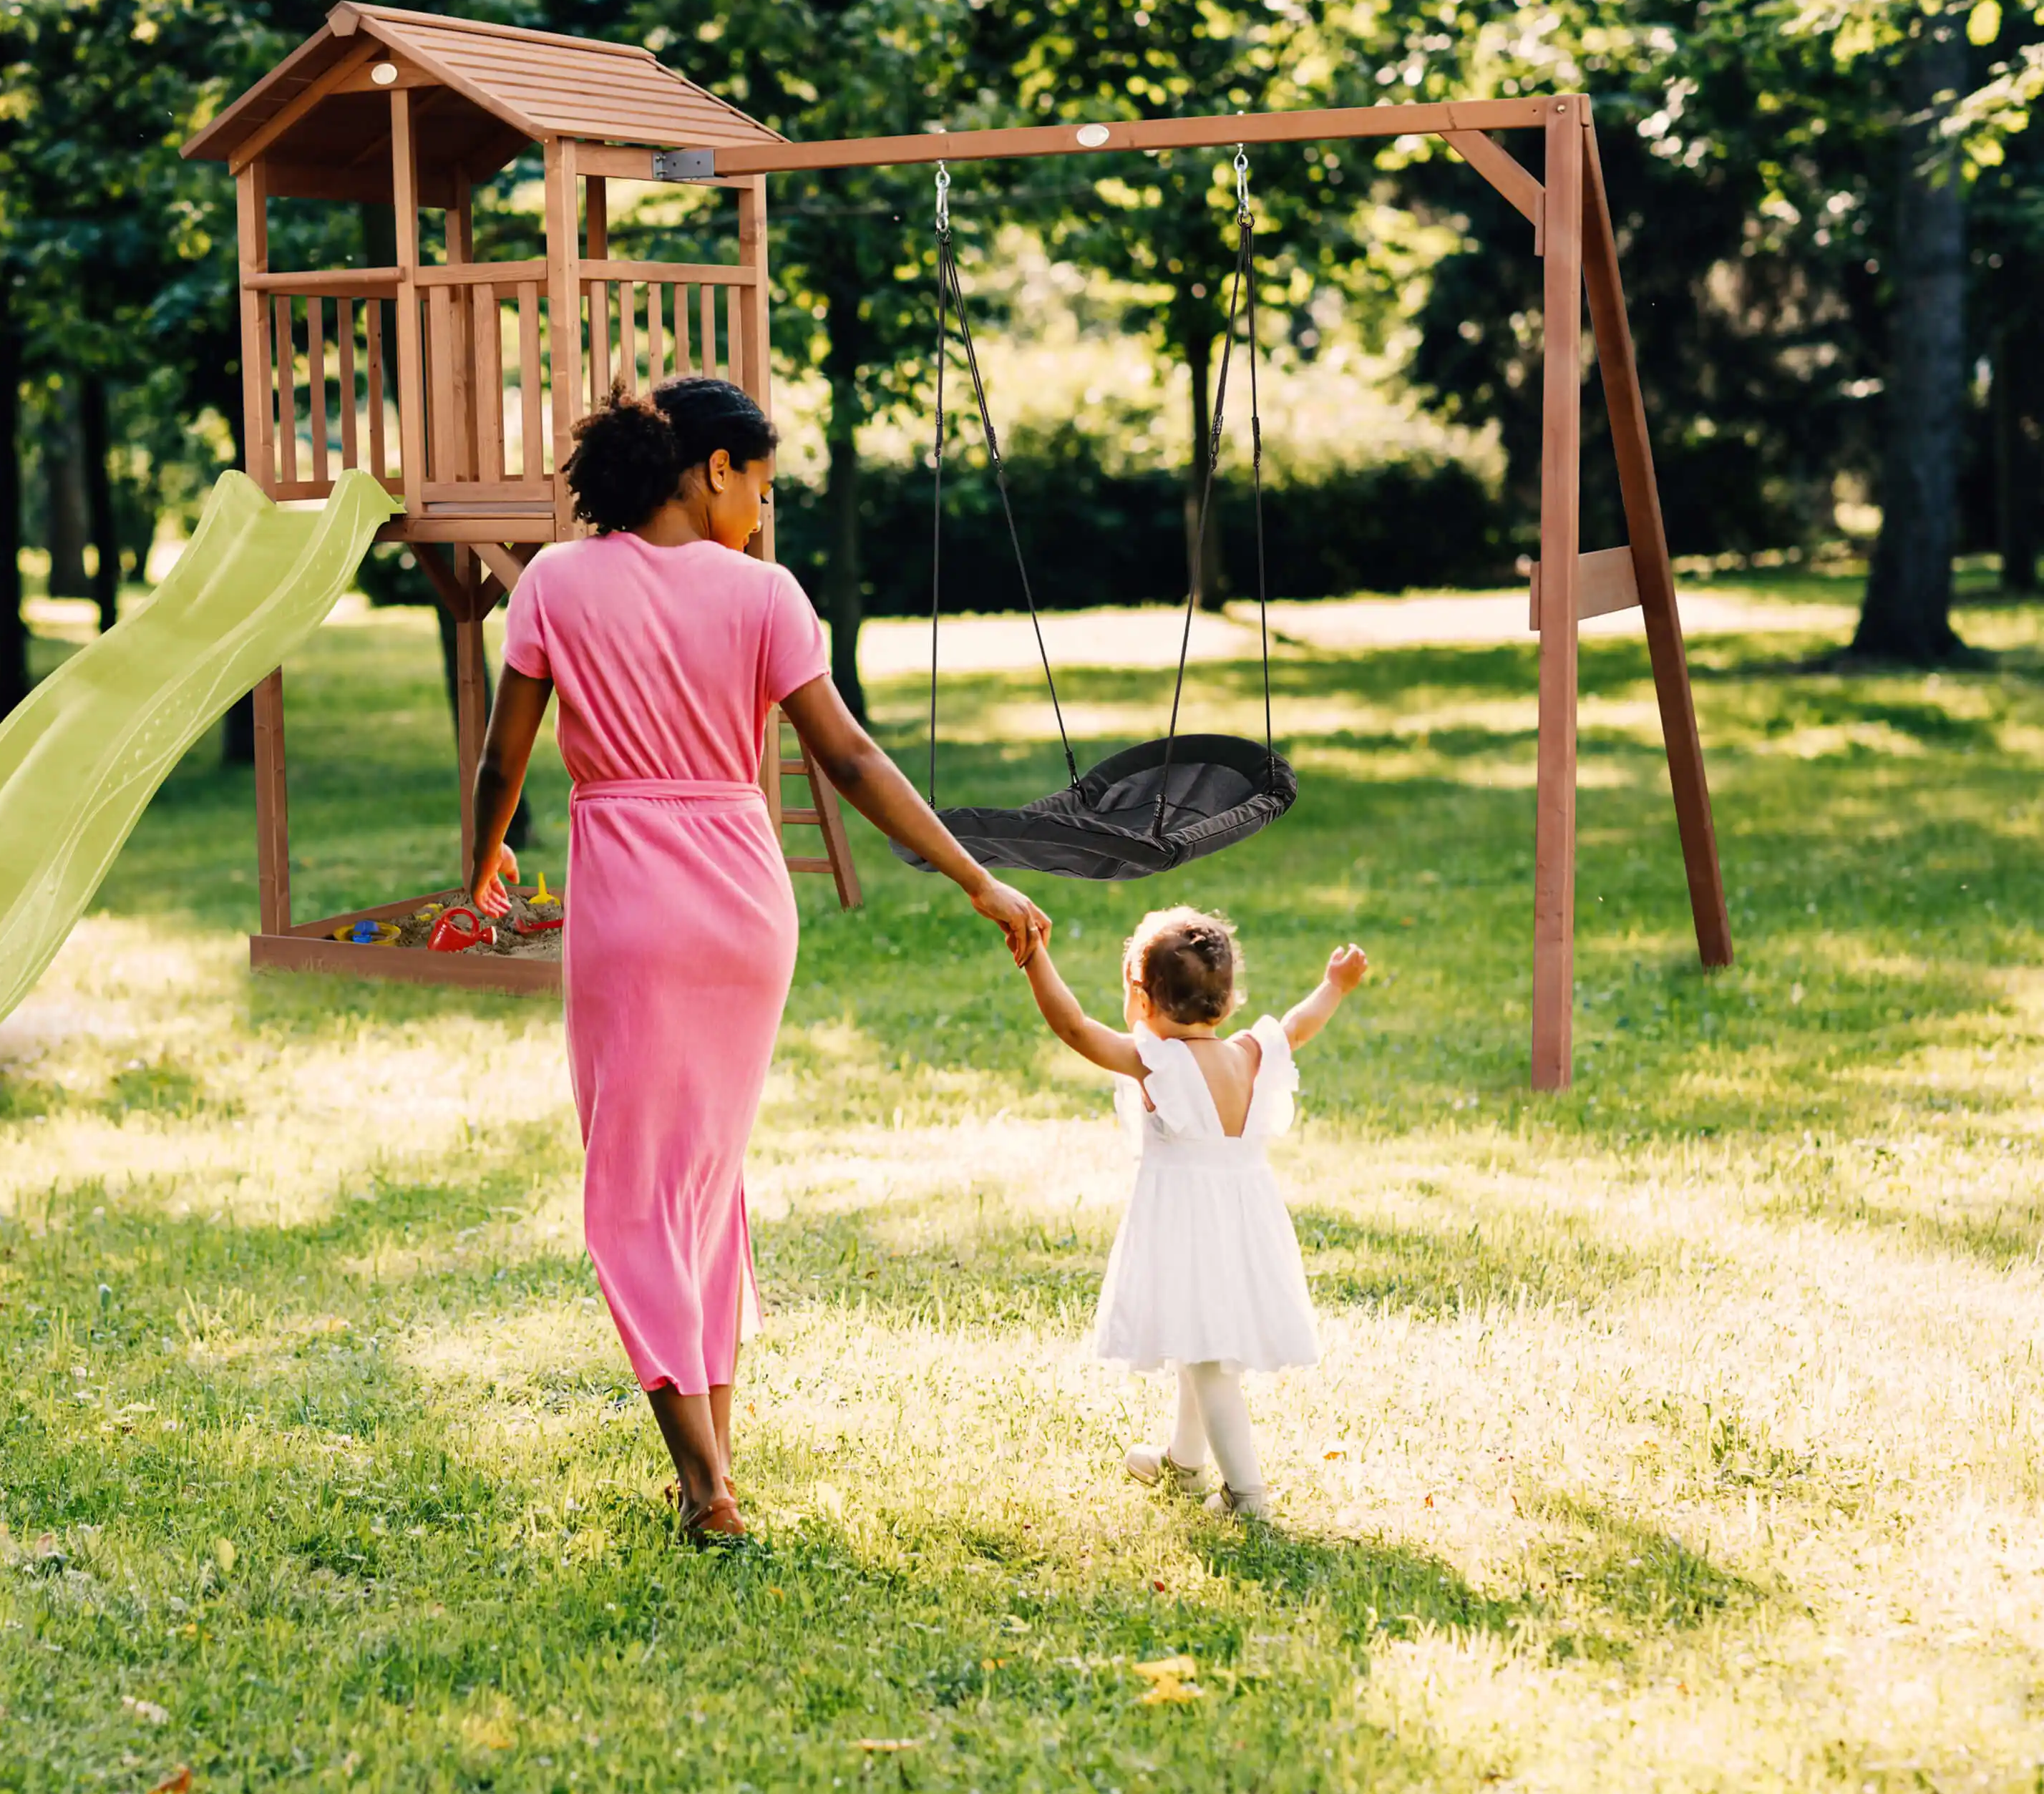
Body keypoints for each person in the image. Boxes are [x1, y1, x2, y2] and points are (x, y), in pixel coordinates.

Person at [467, 376, 1051, 1546]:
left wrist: (478, 869)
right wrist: (975, 874)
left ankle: (702, 1485)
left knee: (636, 1192)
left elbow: (503, 760)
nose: (764, 516)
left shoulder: (555, 584)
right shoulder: (768, 597)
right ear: (713, 469)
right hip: (744, 905)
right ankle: (715, 1464)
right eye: (762, 488)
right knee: (703, 1183)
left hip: (631, 905)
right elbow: (850, 759)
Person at [1018, 907, 1370, 1520]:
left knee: (1208, 1360)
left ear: (1142, 997)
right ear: (1228, 1001)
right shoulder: (1251, 1052)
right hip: (1243, 1222)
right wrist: (1334, 986)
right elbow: (1299, 1024)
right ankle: (1184, 1462)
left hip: (1188, 1226)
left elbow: (1074, 1027)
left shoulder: (1157, 1063)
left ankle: (1246, 1494)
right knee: (1196, 1336)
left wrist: (1034, 957)